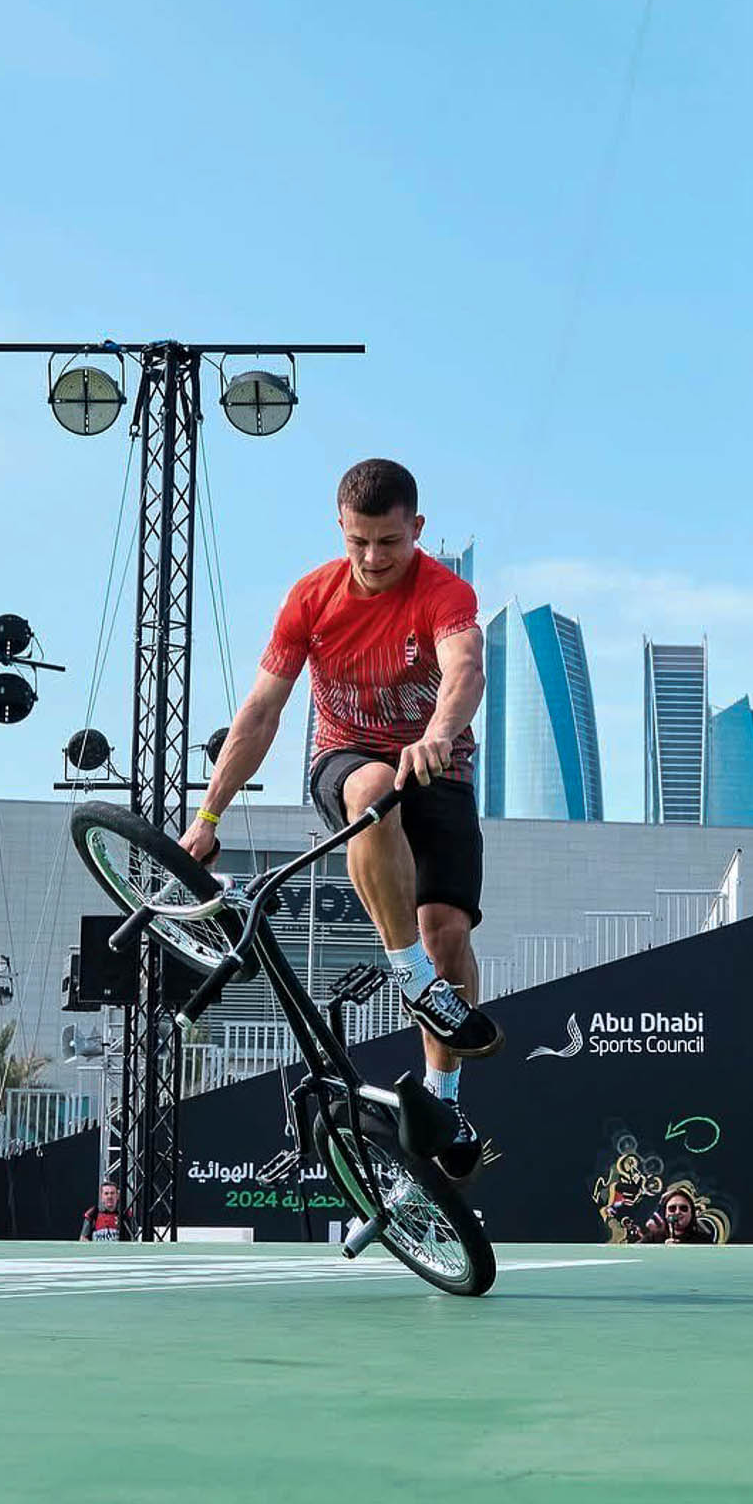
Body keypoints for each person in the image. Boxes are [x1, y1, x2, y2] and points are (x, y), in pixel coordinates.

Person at [183, 459, 499, 1184]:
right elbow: (261, 711)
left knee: (448, 935)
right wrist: (207, 815)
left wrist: (439, 733)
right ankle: (410, 977)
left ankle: (446, 1100)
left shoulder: (444, 592)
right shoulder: (311, 598)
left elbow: (466, 669)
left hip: (439, 764)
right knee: (374, 788)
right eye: (359, 542)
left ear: (417, 530)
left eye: (389, 542)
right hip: (347, 758)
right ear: (340, 529)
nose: (373, 558)